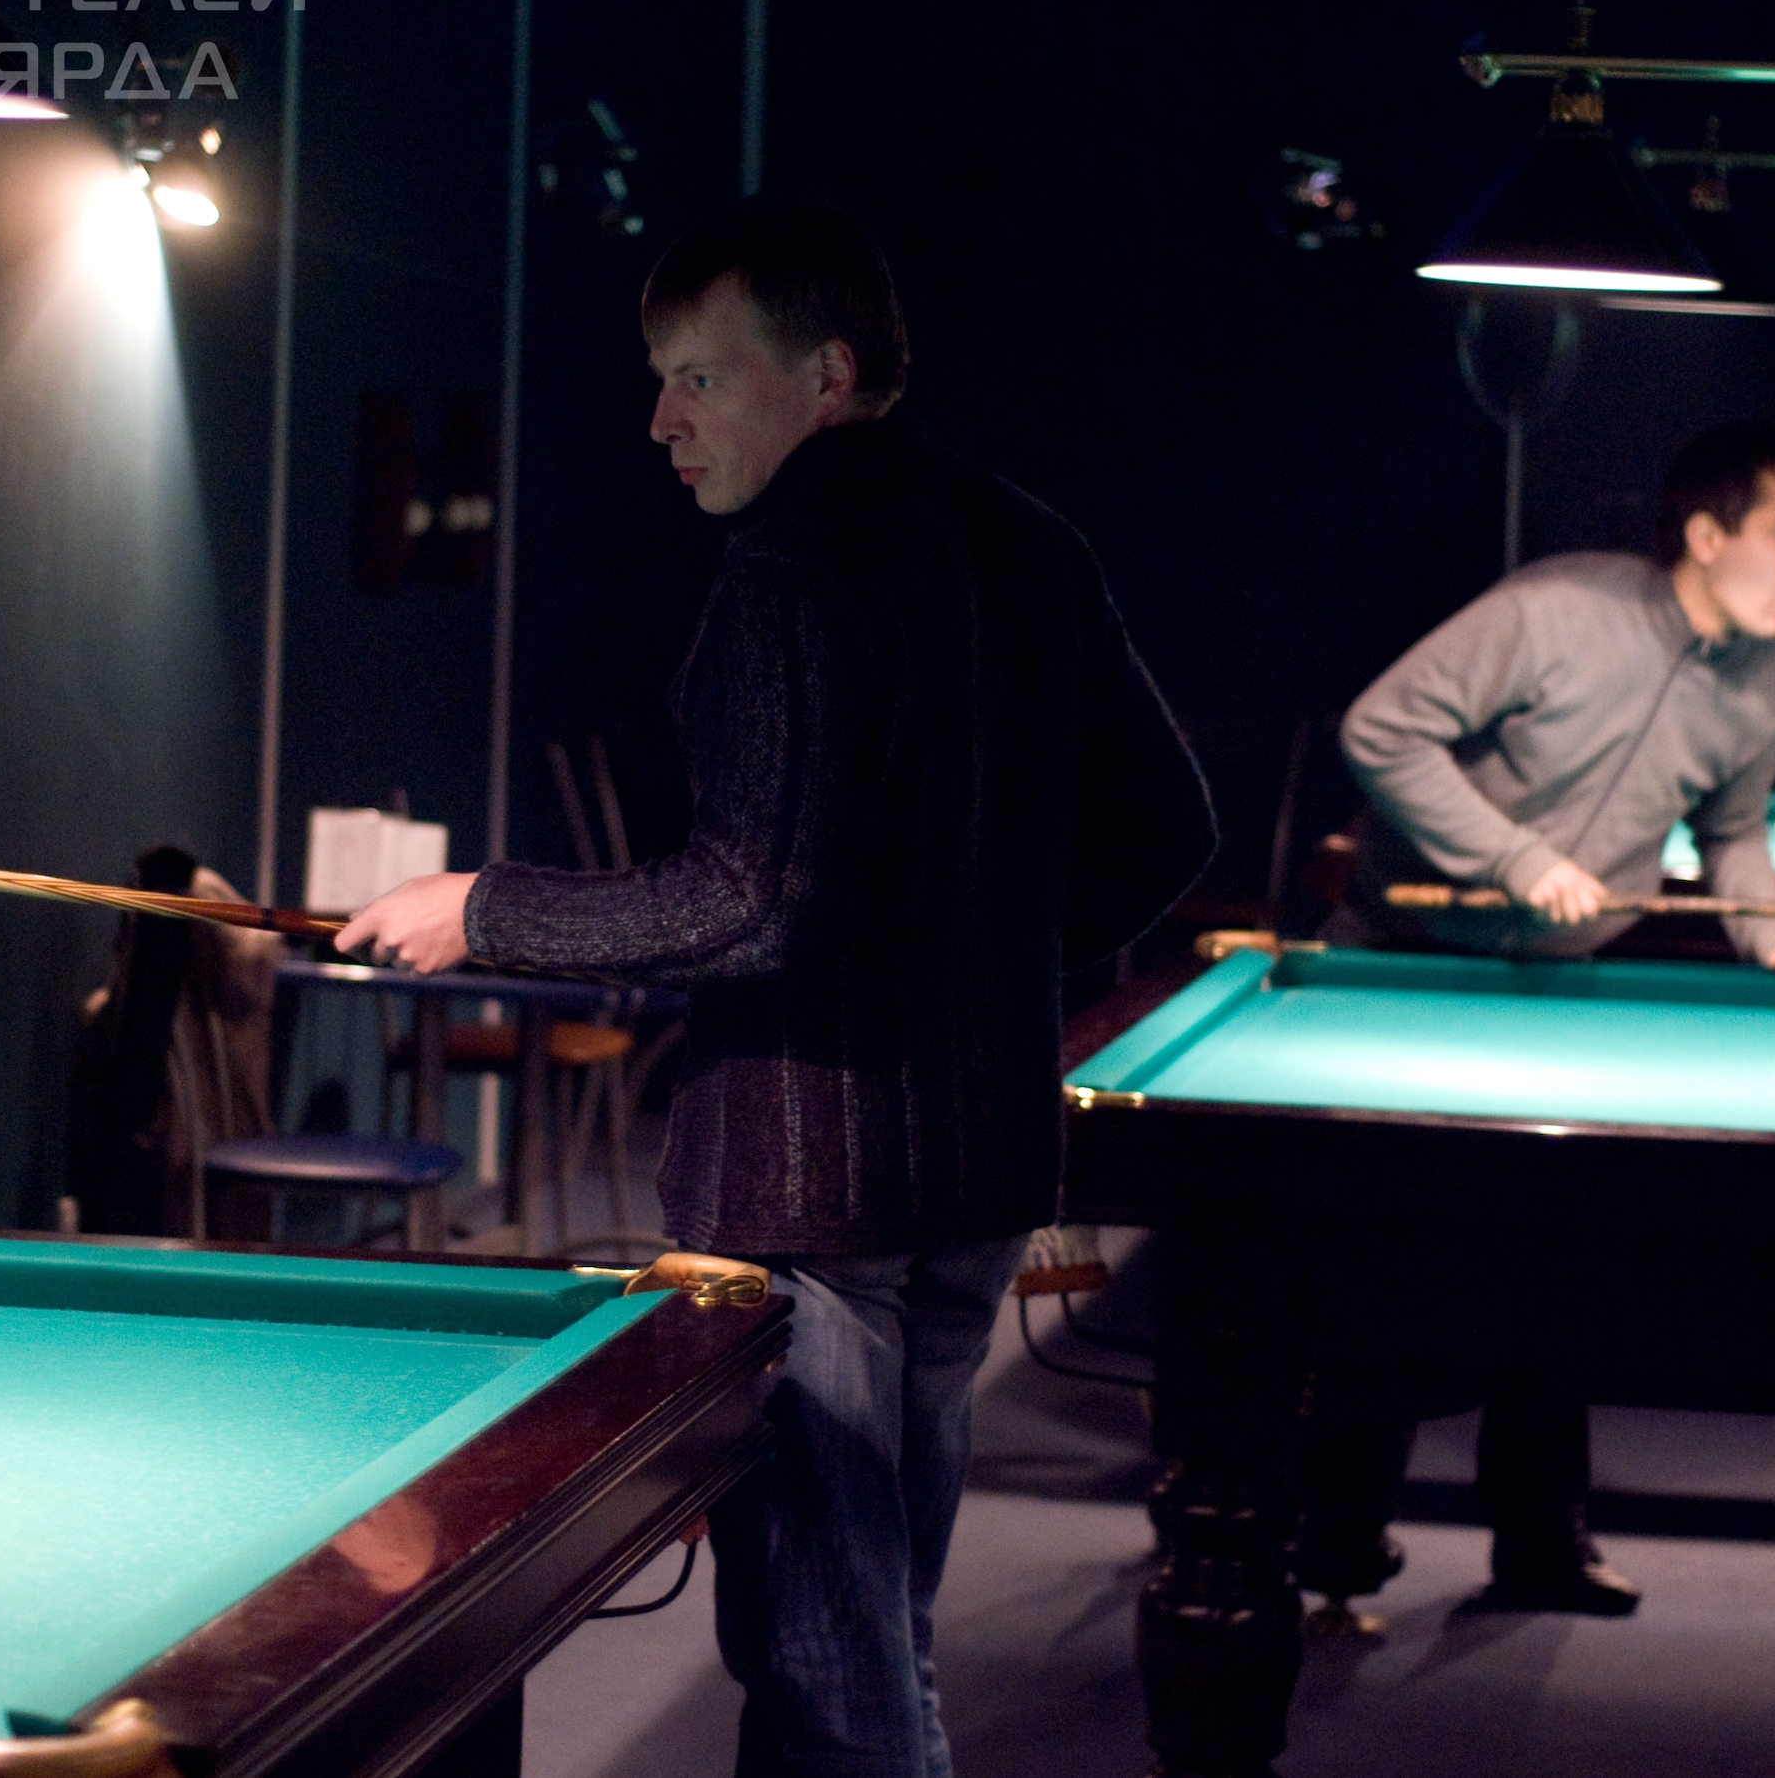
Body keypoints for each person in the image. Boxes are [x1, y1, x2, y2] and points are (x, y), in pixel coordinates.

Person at [339, 196, 1214, 1776]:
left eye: (703, 377)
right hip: (979, 1175)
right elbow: (1169, 828)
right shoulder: (1029, 538)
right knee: (879, 1626)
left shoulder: (788, 570)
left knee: (828, 1664)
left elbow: (745, 900)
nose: (663, 421)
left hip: (816, 1194)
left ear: (829, 373)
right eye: (659, 379)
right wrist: (978, 950)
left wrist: (484, 906)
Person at [1313, 420, 1775, 1615]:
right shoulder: (1551, 611)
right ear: (1706, 534)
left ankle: (1540, 1543)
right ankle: (1332, 1544)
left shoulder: (1765, 682)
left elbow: (1733, 834)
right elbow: (1379, 728)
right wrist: (1516, 858)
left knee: (1553, 1266)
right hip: (1406, 970)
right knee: (1383, 1264)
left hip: (1558, 993)